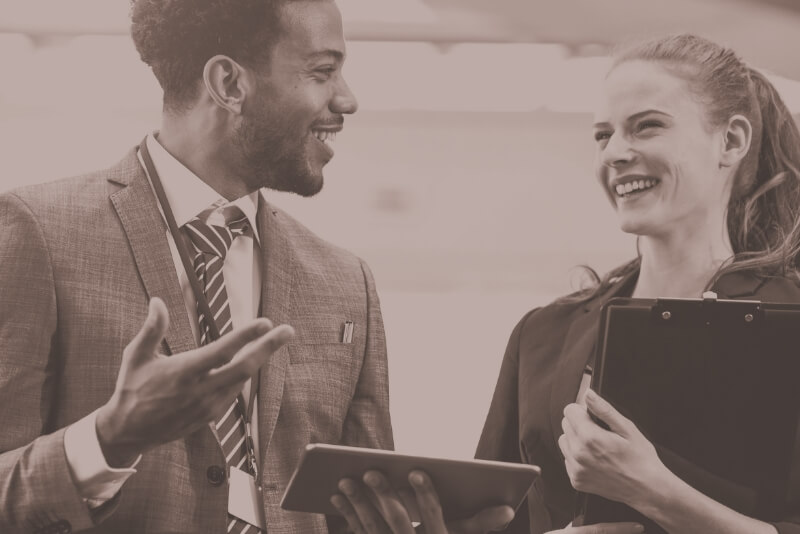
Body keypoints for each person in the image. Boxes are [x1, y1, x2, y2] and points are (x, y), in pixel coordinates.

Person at [331, 34, 800, 534]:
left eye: (647, 127)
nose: (616, 153)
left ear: (730, 141)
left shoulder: (787, 324)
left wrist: (654, 491)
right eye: (603, 135)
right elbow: (495, 523)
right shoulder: (543, 334)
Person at [0, 0, 393, 532]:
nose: (347, 99)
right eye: (323, 72)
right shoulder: (39, 234)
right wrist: (108, 439)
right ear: (229, 83)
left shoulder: (347, 282)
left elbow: (364, 505)